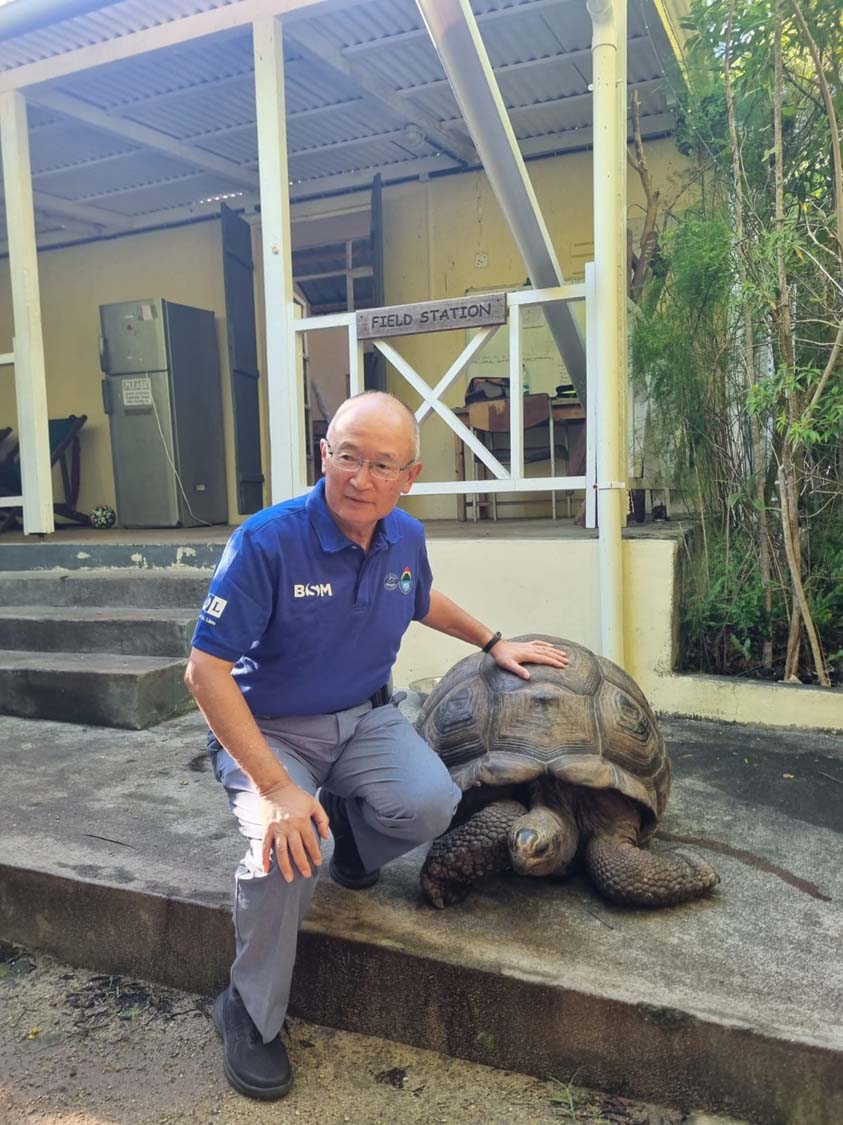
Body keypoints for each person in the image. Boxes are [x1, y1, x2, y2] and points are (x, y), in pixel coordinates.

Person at [185, 390, 568, 1101]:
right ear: (323, 455)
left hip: (364, 719)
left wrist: (493, 640)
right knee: (290, 850)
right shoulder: (267, 541)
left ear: (408, 476)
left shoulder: (404, 537)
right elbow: (204, 672)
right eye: (347, 456)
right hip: (270, 731)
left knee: (432, 802)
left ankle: (355, 847)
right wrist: (276, 789)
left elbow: (419, 597)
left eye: (382, 464)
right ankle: (248, 1009)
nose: (360, 478)